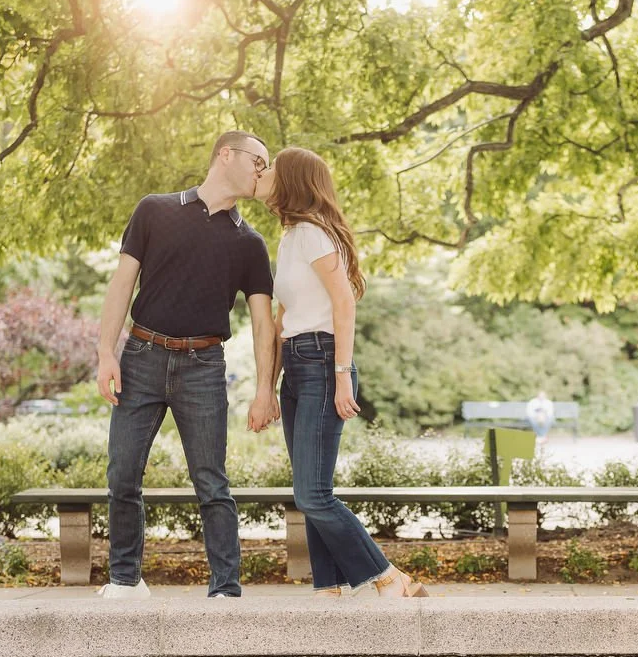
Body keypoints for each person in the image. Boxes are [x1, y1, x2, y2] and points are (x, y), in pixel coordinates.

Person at [95, 131, 280, 600]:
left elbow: (263, 324)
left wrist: (265, 389)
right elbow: (122, 285)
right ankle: (124, 581)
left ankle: (226, 587)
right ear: (226, 154)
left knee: (211, 481)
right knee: (122, 474)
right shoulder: (154, 210)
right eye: (258, 161)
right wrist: (104, 353)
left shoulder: (250, 243)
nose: (263, 171)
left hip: (203, 366)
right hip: (141, 357)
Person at [255, 147, 424, 598]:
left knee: (312, 494)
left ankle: (389, 577)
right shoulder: (291, 237)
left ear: (291, 179)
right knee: (310, 487)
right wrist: (268, 388)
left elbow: (344, 302)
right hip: (296, 362)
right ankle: (328, 586)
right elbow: (281, 317)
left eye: (271, 167)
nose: (264, 173)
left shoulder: (312, 233)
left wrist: (342, 374)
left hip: (322, 360)